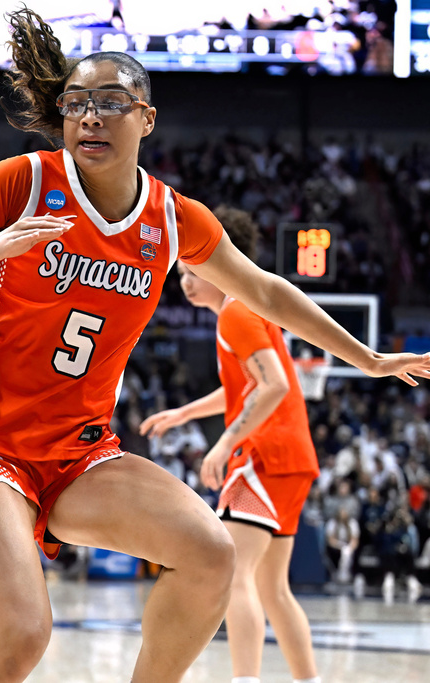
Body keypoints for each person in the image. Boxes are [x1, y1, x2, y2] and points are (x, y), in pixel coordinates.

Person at [0, 8, 430, 682]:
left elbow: (270, 292)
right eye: (76, 103)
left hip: (79, 454)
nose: (89, 116)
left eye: (111, 102)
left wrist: (368, 358)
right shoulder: (24, 181)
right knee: (21, 638)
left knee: (210, 552)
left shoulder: (172, 219)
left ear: (146, 118)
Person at [140, 206, 321, 683]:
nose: (183, 279)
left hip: (262, 457)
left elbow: (274, 386)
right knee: (273, 587)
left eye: (191, 268)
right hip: (292, 458)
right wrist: (185, 412)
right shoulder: (246, 310)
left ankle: (245, 680)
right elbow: (246, 387)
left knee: (234, 573)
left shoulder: (236, 313)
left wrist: (222, 445)